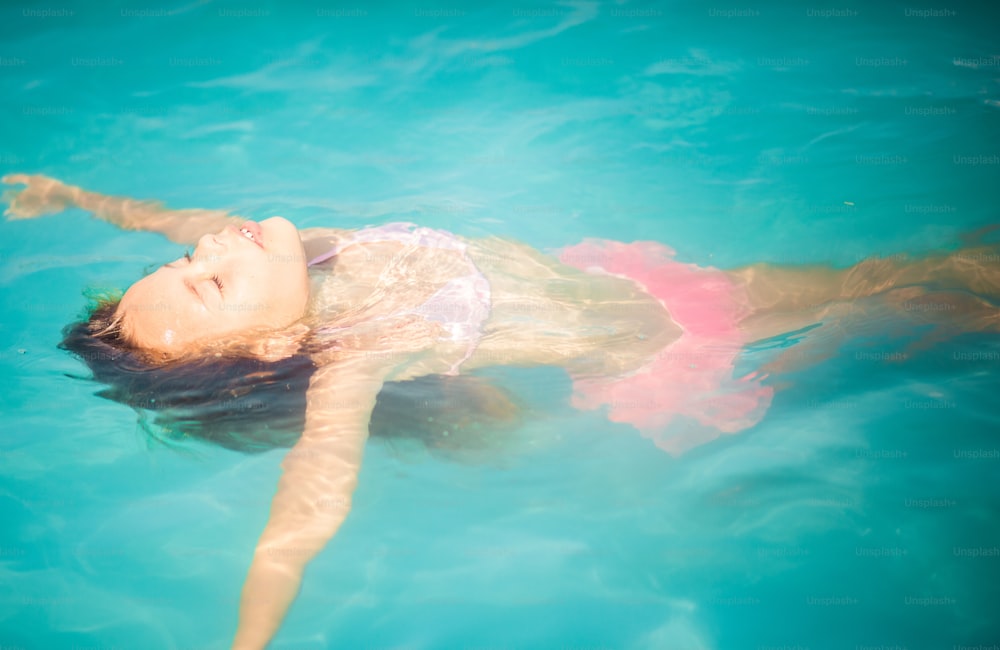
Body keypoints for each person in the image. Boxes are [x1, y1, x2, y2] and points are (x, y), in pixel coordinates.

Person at [4, 173, 998, 649]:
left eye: (186, 267)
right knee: (892, 290)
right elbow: (307, 504)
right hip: (672, 336)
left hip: (636, 290)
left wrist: (73, 196)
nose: (206, 251)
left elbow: (167, 217)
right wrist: (248, 641)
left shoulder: (302, 254)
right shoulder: (354, 353)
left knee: (906, 293)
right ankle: (946, 305)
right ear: (270, 347)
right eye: (210, 284)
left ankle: (946, 308)